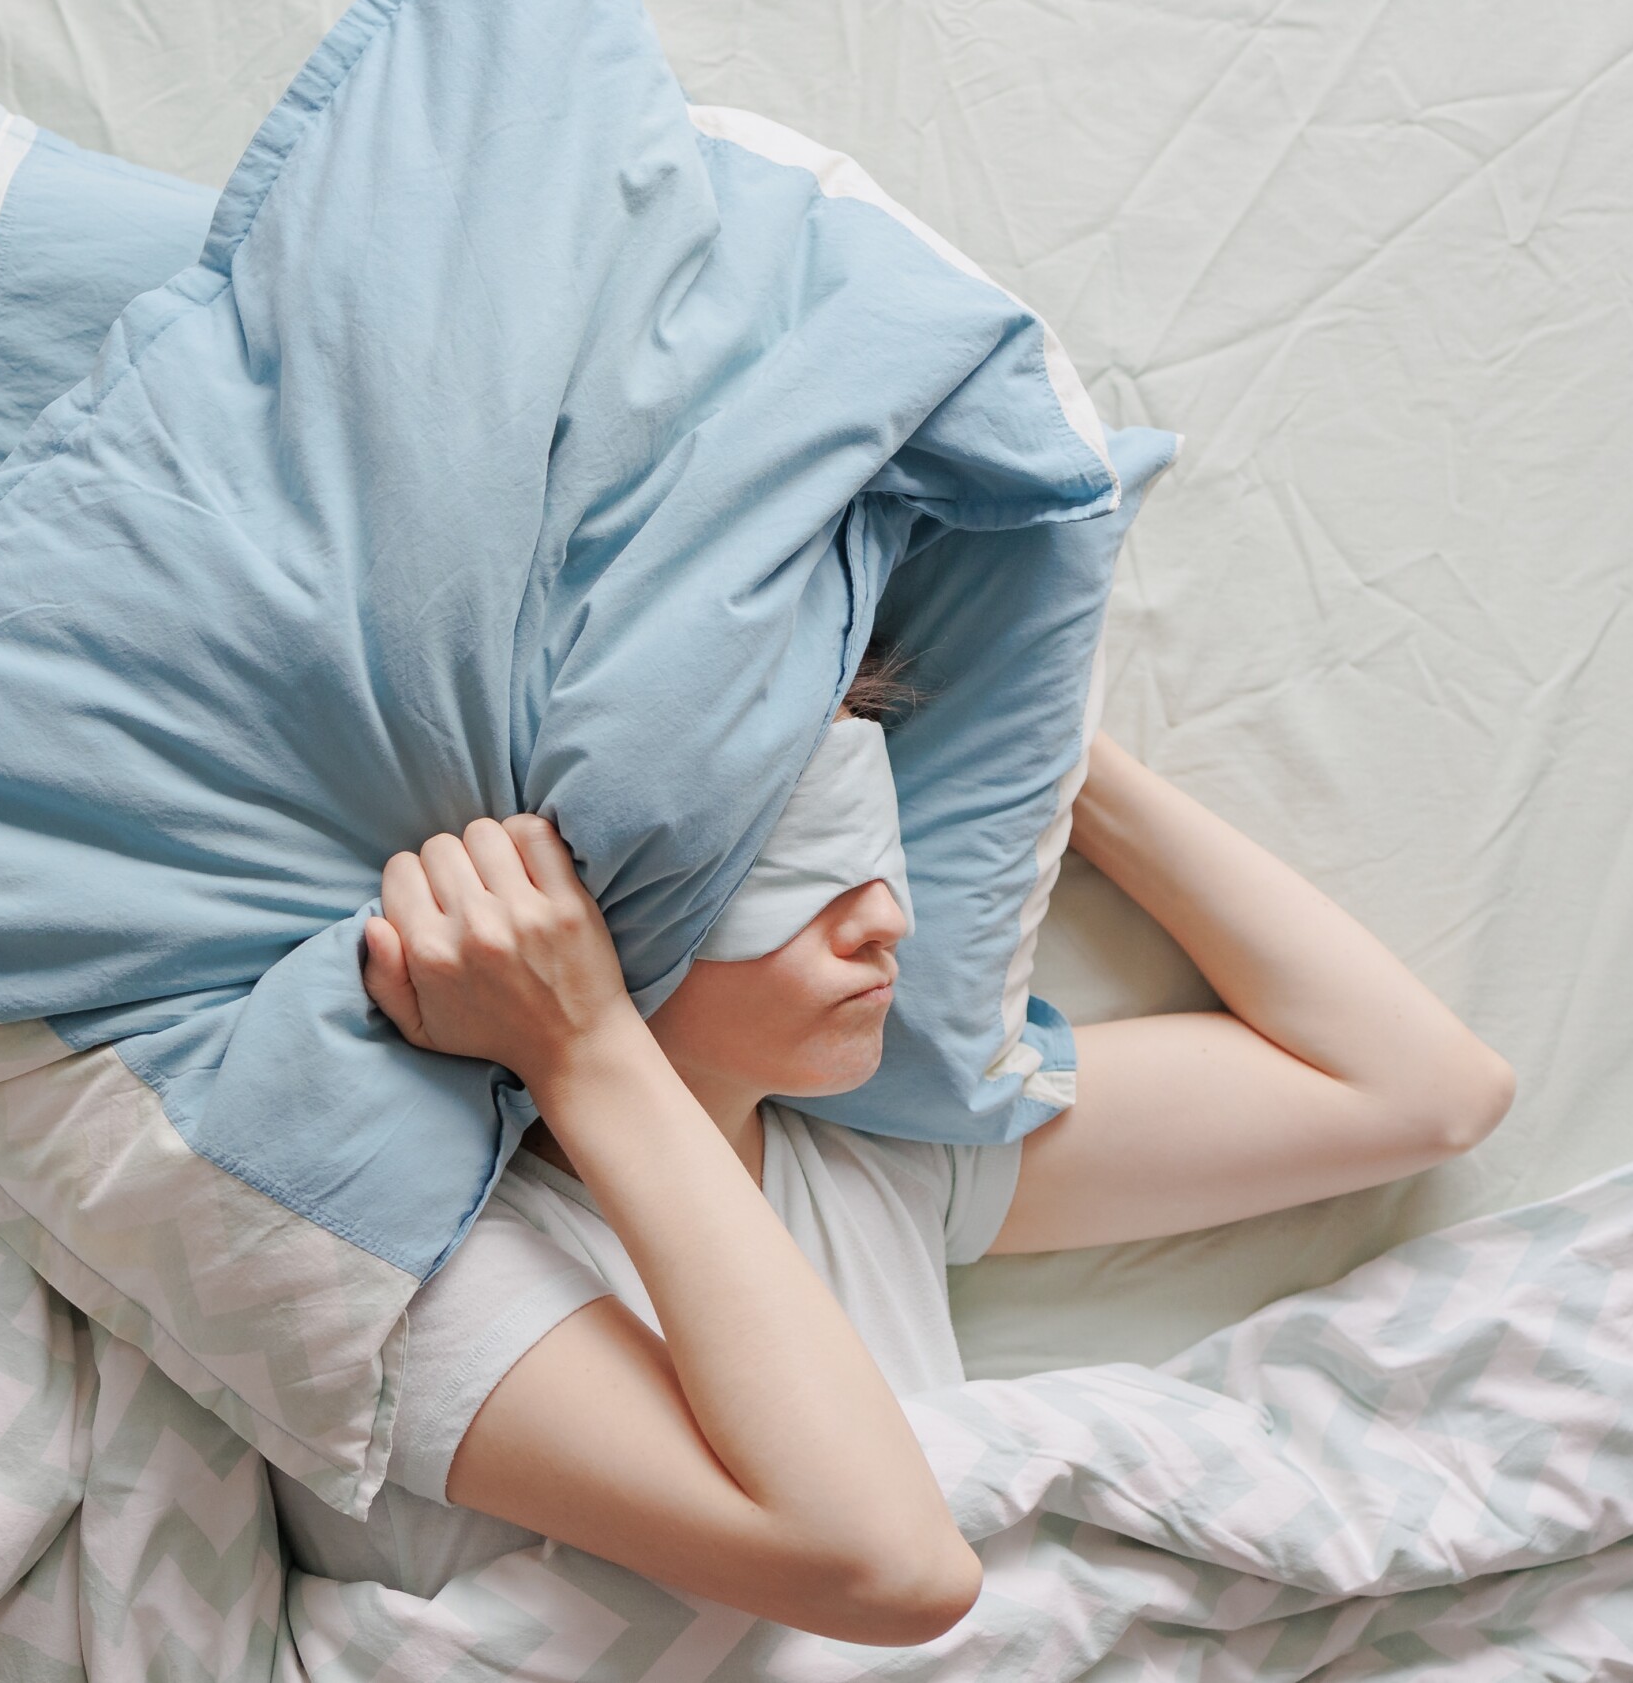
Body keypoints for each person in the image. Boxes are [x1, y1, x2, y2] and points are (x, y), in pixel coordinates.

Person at [271, 670, 1516, 1646]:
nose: (887, 917)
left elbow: (1421, 1094)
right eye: (796, 862)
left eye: (879, 839)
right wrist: (582, 1047)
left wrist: (1042, 752)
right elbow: (885, 1569)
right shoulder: (419, 1272)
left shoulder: (873, 1167)